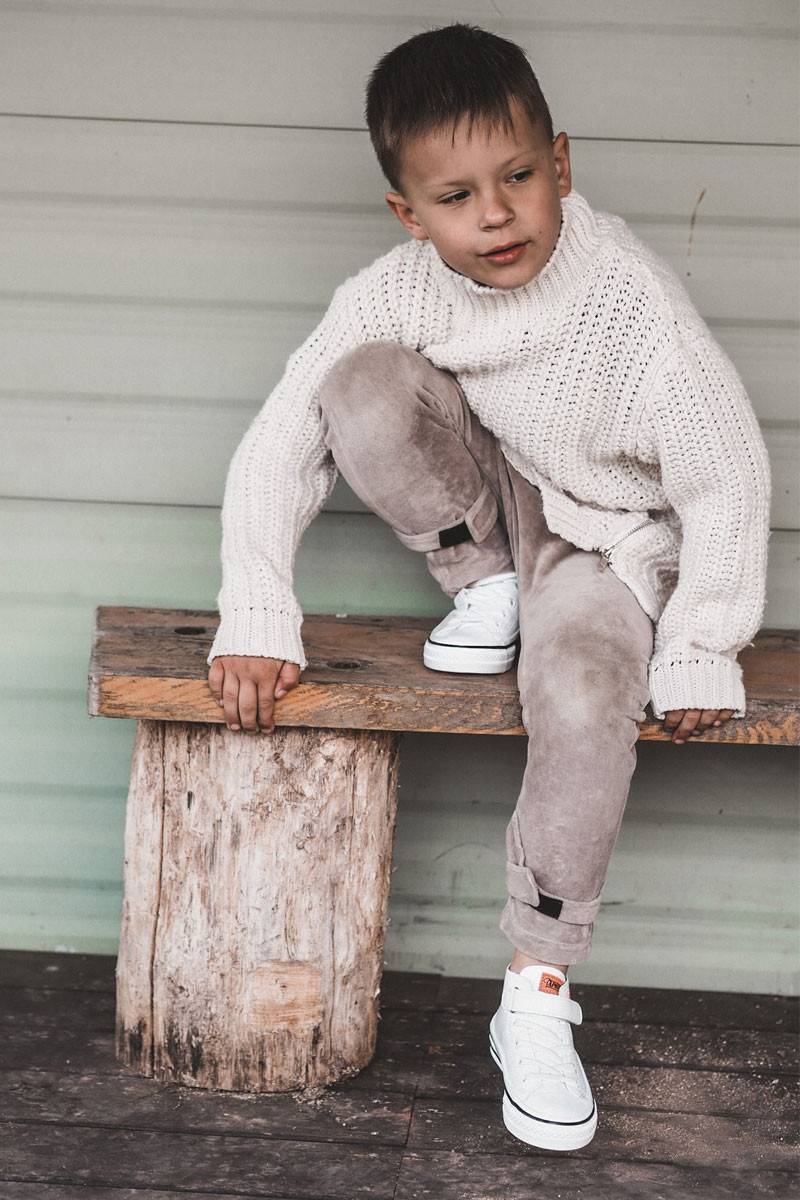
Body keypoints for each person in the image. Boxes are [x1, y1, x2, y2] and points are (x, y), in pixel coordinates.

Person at [205, 23, 771, 1151]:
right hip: (497, 507)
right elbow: (281, 440)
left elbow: (727, 474)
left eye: (518, 178)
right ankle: (484, 585)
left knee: (583, 689)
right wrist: (256, 615)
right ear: (409, 215)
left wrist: (703, 642)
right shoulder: (397, 290)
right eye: (457, 197)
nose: (497, 216)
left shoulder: (631, 304)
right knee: (357, 385)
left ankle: (537, 993)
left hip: (600, 537)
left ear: (560, 164)